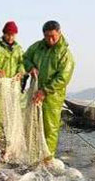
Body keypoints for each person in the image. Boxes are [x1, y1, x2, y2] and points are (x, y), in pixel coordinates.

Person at [24, 20, 76, 157]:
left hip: (52, 98)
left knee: (50, 129)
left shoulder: (65, 54)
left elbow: (63, 78)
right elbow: (25, 58)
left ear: (59, 33)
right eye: (47, 36)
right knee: (33, 125)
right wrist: (31, 67)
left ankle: (47, 158)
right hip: (35, 93)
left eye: (53, 36)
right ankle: (33, 155)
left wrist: (45, 91)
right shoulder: (37, 47)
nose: (50, 40)